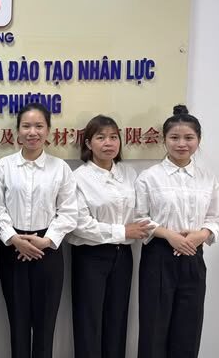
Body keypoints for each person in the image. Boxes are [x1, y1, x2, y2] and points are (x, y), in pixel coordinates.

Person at [135, 105, 219, 358]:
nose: (181, 144)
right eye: (174, 137)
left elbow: (215, 217)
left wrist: (201, 235)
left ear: (198, 140)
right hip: (158, 257)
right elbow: (139, 217)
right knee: (154, 328)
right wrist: (169, 235)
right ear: (164, 140)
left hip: (193, 256)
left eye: (189, 137)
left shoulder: (207, 178)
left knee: (189, 328)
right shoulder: (149, 177)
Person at [0, 102, 79, 358]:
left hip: (48, 252)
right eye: (26, 126)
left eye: (39, 126)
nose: (33, 132)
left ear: (48, 130)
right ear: (18, 131)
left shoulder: (60, 168)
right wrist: (13, 239)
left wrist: (47, 240)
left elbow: (69, 212)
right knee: (18, 324)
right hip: (13, 250)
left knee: (45, 325)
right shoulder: (4, 166)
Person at [66, 115, 152, 358]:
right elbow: (79, 225)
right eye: (101, 137)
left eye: (114, 137)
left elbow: (140, 213)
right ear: (88, 143)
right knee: (88, 321)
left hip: (123, 255)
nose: (108, 143)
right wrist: (122, 231)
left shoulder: (129, 173)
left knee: (117, 320)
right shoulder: (78, 178)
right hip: (90, 255)